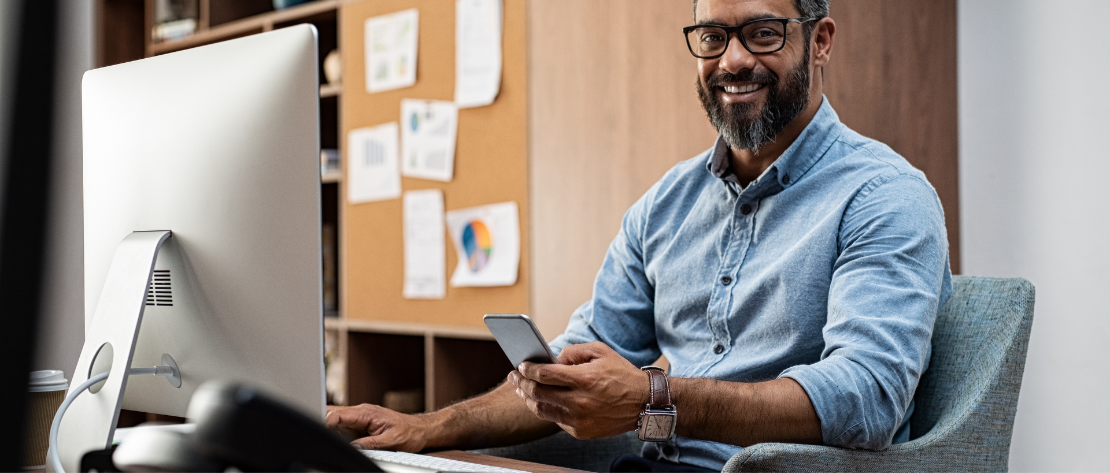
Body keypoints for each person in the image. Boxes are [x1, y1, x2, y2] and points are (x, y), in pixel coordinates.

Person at [326, 0, 952, 470]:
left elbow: (866, 399)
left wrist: (656, 395)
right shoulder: (665, 205)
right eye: (712, 37)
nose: (733, 60)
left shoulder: (884, 197)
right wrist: (426, 430)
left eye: (763, 33)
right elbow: (577, 359)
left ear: (820, 41)